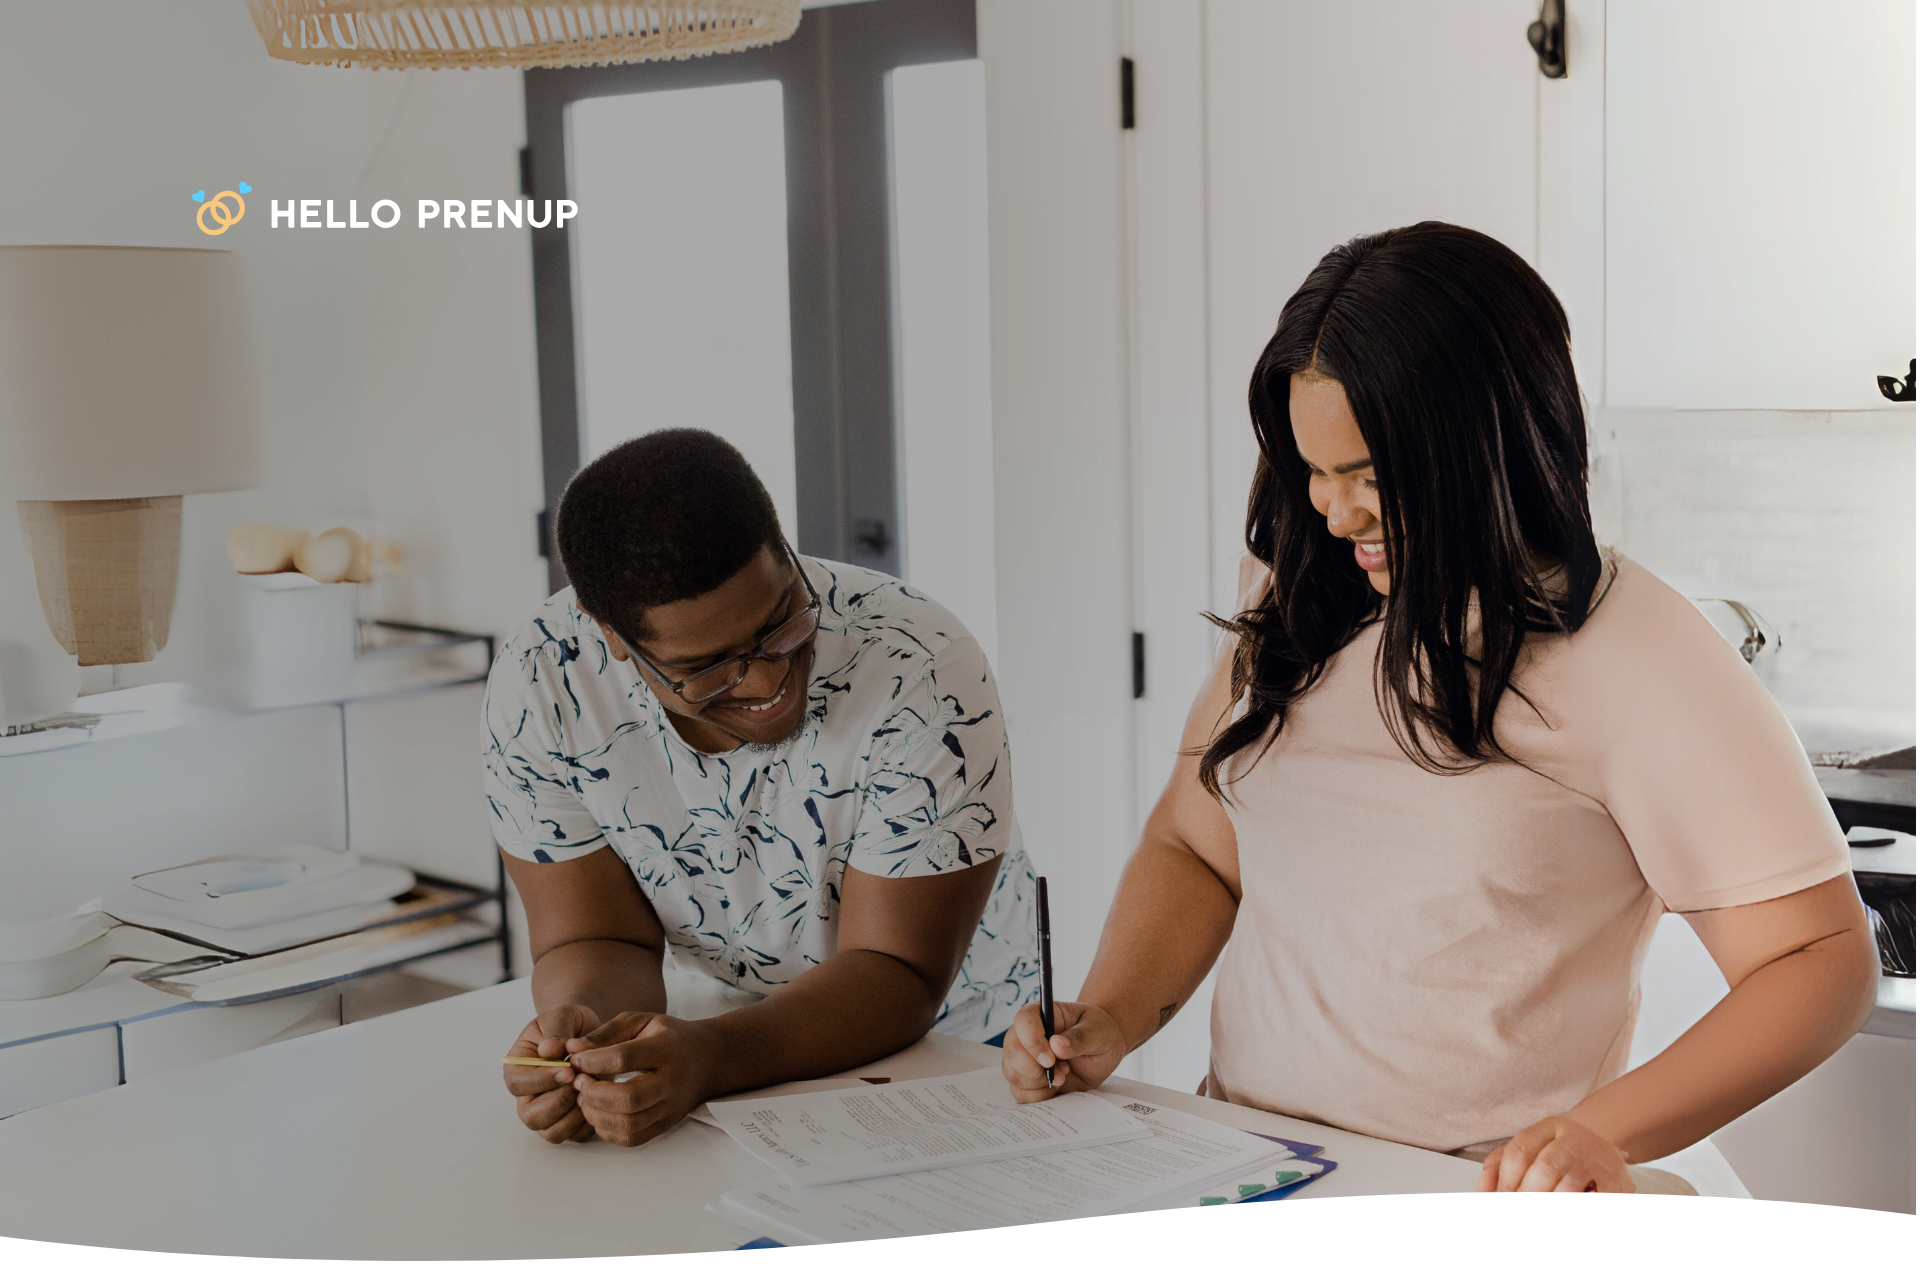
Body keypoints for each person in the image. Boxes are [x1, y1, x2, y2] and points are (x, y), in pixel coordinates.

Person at [1000, 222, 1880, 1193]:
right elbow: (1197, 845)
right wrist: (1112, 1015)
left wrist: (1597, 1131)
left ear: (1486, 446)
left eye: (1371, 479)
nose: (1336, 517)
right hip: (1254, 1179)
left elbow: (1819, 959)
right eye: (1314, 474)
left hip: (1463, 1209)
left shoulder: (1639, 654)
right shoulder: (1301, 594)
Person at [488, 428, 1037, 1147]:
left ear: (784, 550)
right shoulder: (543, 683)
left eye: (782, 625)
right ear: (610, 636)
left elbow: (897, 972)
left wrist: (712, 1057)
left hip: (957, 1043)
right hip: (724, 1032)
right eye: (707, 667)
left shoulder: (923, 667)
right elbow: (600, 934)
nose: (768, 682)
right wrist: (590, 1036)